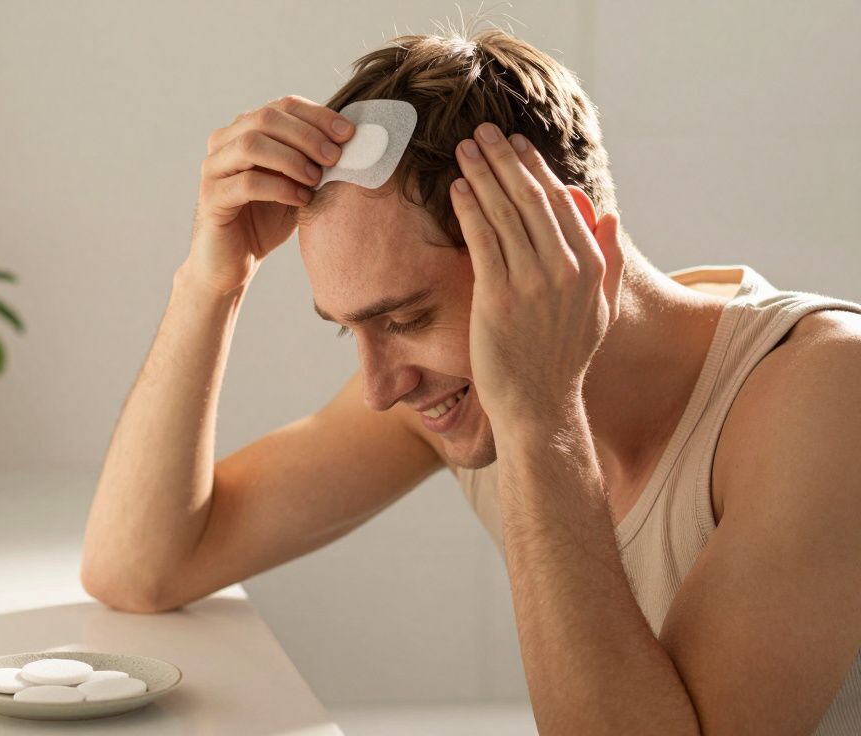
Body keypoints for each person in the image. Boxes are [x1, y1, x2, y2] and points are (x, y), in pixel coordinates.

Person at [80, 23, 861, 734]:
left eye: (406, 318)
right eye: (349, 328)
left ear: (573, 253)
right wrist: (211, 281)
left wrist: (540, 419)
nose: (380, 389)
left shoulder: (827, 395)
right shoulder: (459, 392)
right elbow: (139, 568)